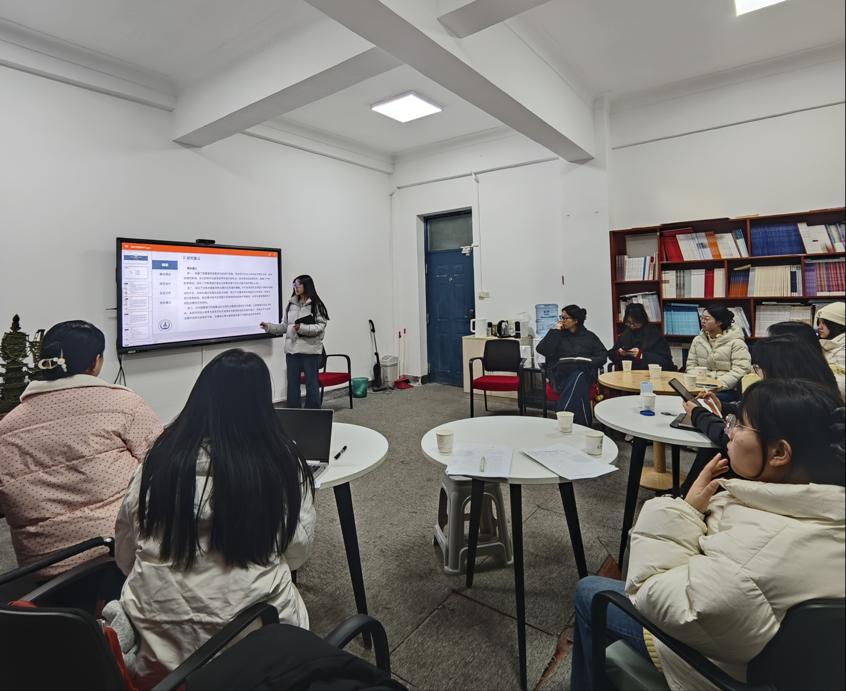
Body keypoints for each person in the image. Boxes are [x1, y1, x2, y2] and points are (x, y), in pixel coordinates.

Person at [570, 379, 845, 690]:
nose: (729, 430)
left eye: (740, 425)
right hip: (766, 657)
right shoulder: (821, 507)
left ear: (779, 452)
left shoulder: (757, 551)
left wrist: (683, 510)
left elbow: (657, 596)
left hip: (710, 665)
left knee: (590, 591)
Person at [106, 349, 315, 687]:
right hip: (255, 656)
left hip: (157, 663)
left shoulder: (156, 461)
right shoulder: (281, 463)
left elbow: (126, 554)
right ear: (262, 406)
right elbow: (297, 552)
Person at [0, 320, 161, 577]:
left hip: (43, 574)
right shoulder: (123, 404)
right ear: (96, 362)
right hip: (120, 559)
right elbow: (164, 465)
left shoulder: (7, 426)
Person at [678, 334, 842, 494]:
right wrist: (723, 407)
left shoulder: (798, 404)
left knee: (718, 450)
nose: (756, 373)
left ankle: (685, 494)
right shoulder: (817, 397)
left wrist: (699, 414)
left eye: (758, 367)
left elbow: (733, 434)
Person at [260, 275, 328, 409]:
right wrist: (269, 327)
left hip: (310, 352)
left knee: (311, 384)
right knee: (292, 385)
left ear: (307, 286)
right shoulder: (291, 304)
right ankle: (293, 412)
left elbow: (321, 326)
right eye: (294, 285)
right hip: (292, 352)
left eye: (298, 285)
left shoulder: (316, 305)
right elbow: (285, 326)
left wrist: (301, 328)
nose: (295, 288)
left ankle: (313, 413)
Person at [535, 304, 607, 426]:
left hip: (584, 373)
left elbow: (602, 355)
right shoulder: (557, 335)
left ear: (575, 320)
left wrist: (589, 360)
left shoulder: (589, 336)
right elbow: (542, 349)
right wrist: (555, 331)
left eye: (565, 318)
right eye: (561, 317)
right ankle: (584, 426)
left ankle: (563, 411)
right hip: (561, 376)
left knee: (579, 375)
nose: (561, 320)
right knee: (580, 383)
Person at [685, 303, 751, 402]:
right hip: (700, 386)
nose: (702, 321)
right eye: (702, 318)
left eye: (707, 319)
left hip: (726, 389)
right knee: (682, 396)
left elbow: (740, 370)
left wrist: (716, 384)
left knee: (703, 400)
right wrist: (700, 381)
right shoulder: (698, 340)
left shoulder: (736, 343)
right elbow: (691, 365)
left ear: (719, 322)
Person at [608, 303, 674, 371]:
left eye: (635, 322)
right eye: (629, 322)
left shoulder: (654, 334)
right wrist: (619, 353)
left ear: (642, 320)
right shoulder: (626, 333)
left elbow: (667, 362)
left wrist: (641, 355)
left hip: (648, 373)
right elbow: (611, 353)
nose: (632, 325)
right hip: (627, 373)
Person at [817, 301, 845, 383]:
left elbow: (841, 383)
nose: (819, 327)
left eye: (824, 323)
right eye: (819, 322)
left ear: (839, 325)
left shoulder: (843, 350)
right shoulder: (822, 344)